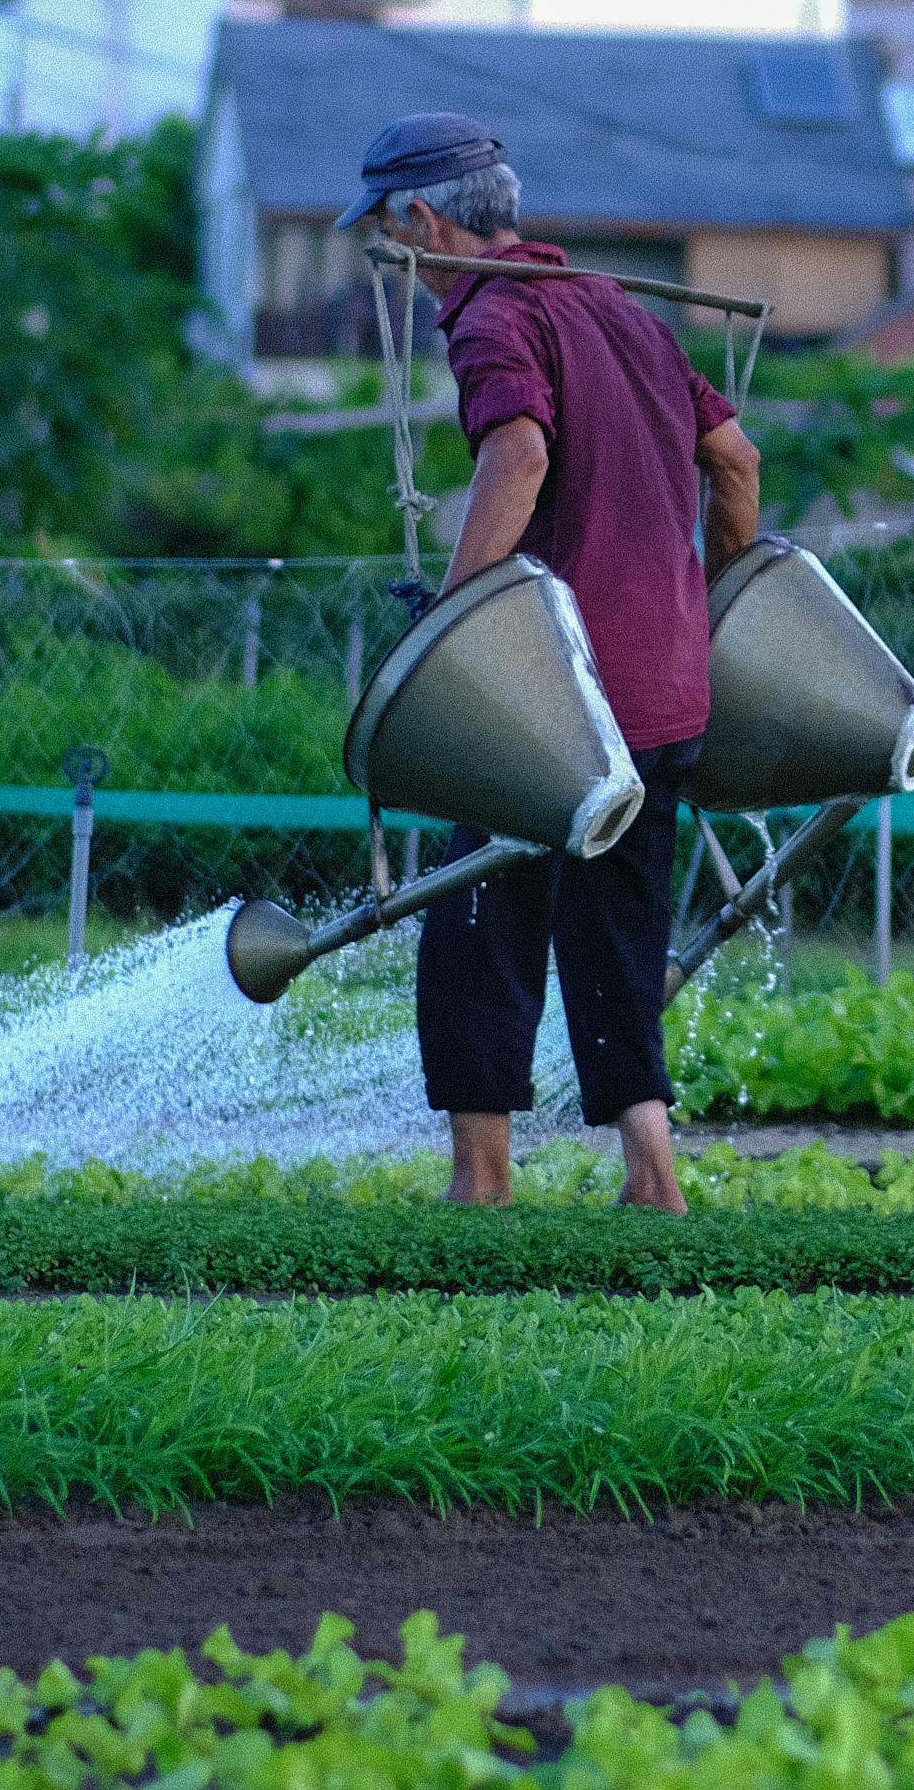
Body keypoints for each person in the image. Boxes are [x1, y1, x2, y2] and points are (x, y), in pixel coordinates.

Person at [341, 111, 763, 1212]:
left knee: (477, 931)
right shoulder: (619, 310)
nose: (397, 269)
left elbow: (519, 452)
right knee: (618, 941)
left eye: (389, 241)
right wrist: (701, 600)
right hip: (665, 693)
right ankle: (652, 1177)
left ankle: (481, 1186)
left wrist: (461, 618)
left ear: (421, 219)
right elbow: (736, 461)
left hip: (554, 702)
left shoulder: (493, 316)